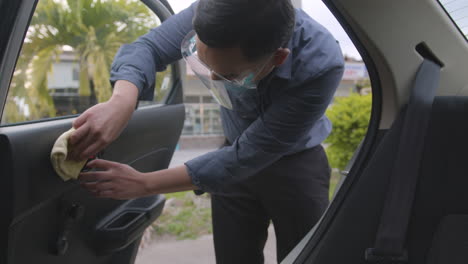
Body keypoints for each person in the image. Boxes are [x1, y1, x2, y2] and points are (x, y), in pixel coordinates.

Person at [72, 0, 344, 262]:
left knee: (306, 254)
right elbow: (148, 48)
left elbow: (247, 156)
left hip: (296, 164)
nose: (213, 79)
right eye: (204, 63)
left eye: (229, 75)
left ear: (278, 58)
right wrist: (122, 102)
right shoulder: (214, 12)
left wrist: (144, 184)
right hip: (230, 151)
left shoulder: (320, 64)